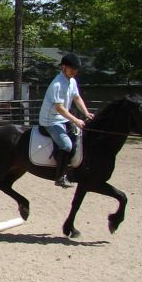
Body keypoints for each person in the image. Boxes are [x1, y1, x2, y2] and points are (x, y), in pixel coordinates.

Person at [39, 53, 94, 188]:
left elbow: (77, 98)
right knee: (66, 145)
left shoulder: (72, 81)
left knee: (78, 137)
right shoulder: (57, 84)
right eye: (72, 68)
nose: (74, 71)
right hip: (50, 121)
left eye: (76, 69)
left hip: (62, 119)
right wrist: (76, 120)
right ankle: (60, 177)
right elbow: (60, 108)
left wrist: (86, 113)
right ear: (63, 67)